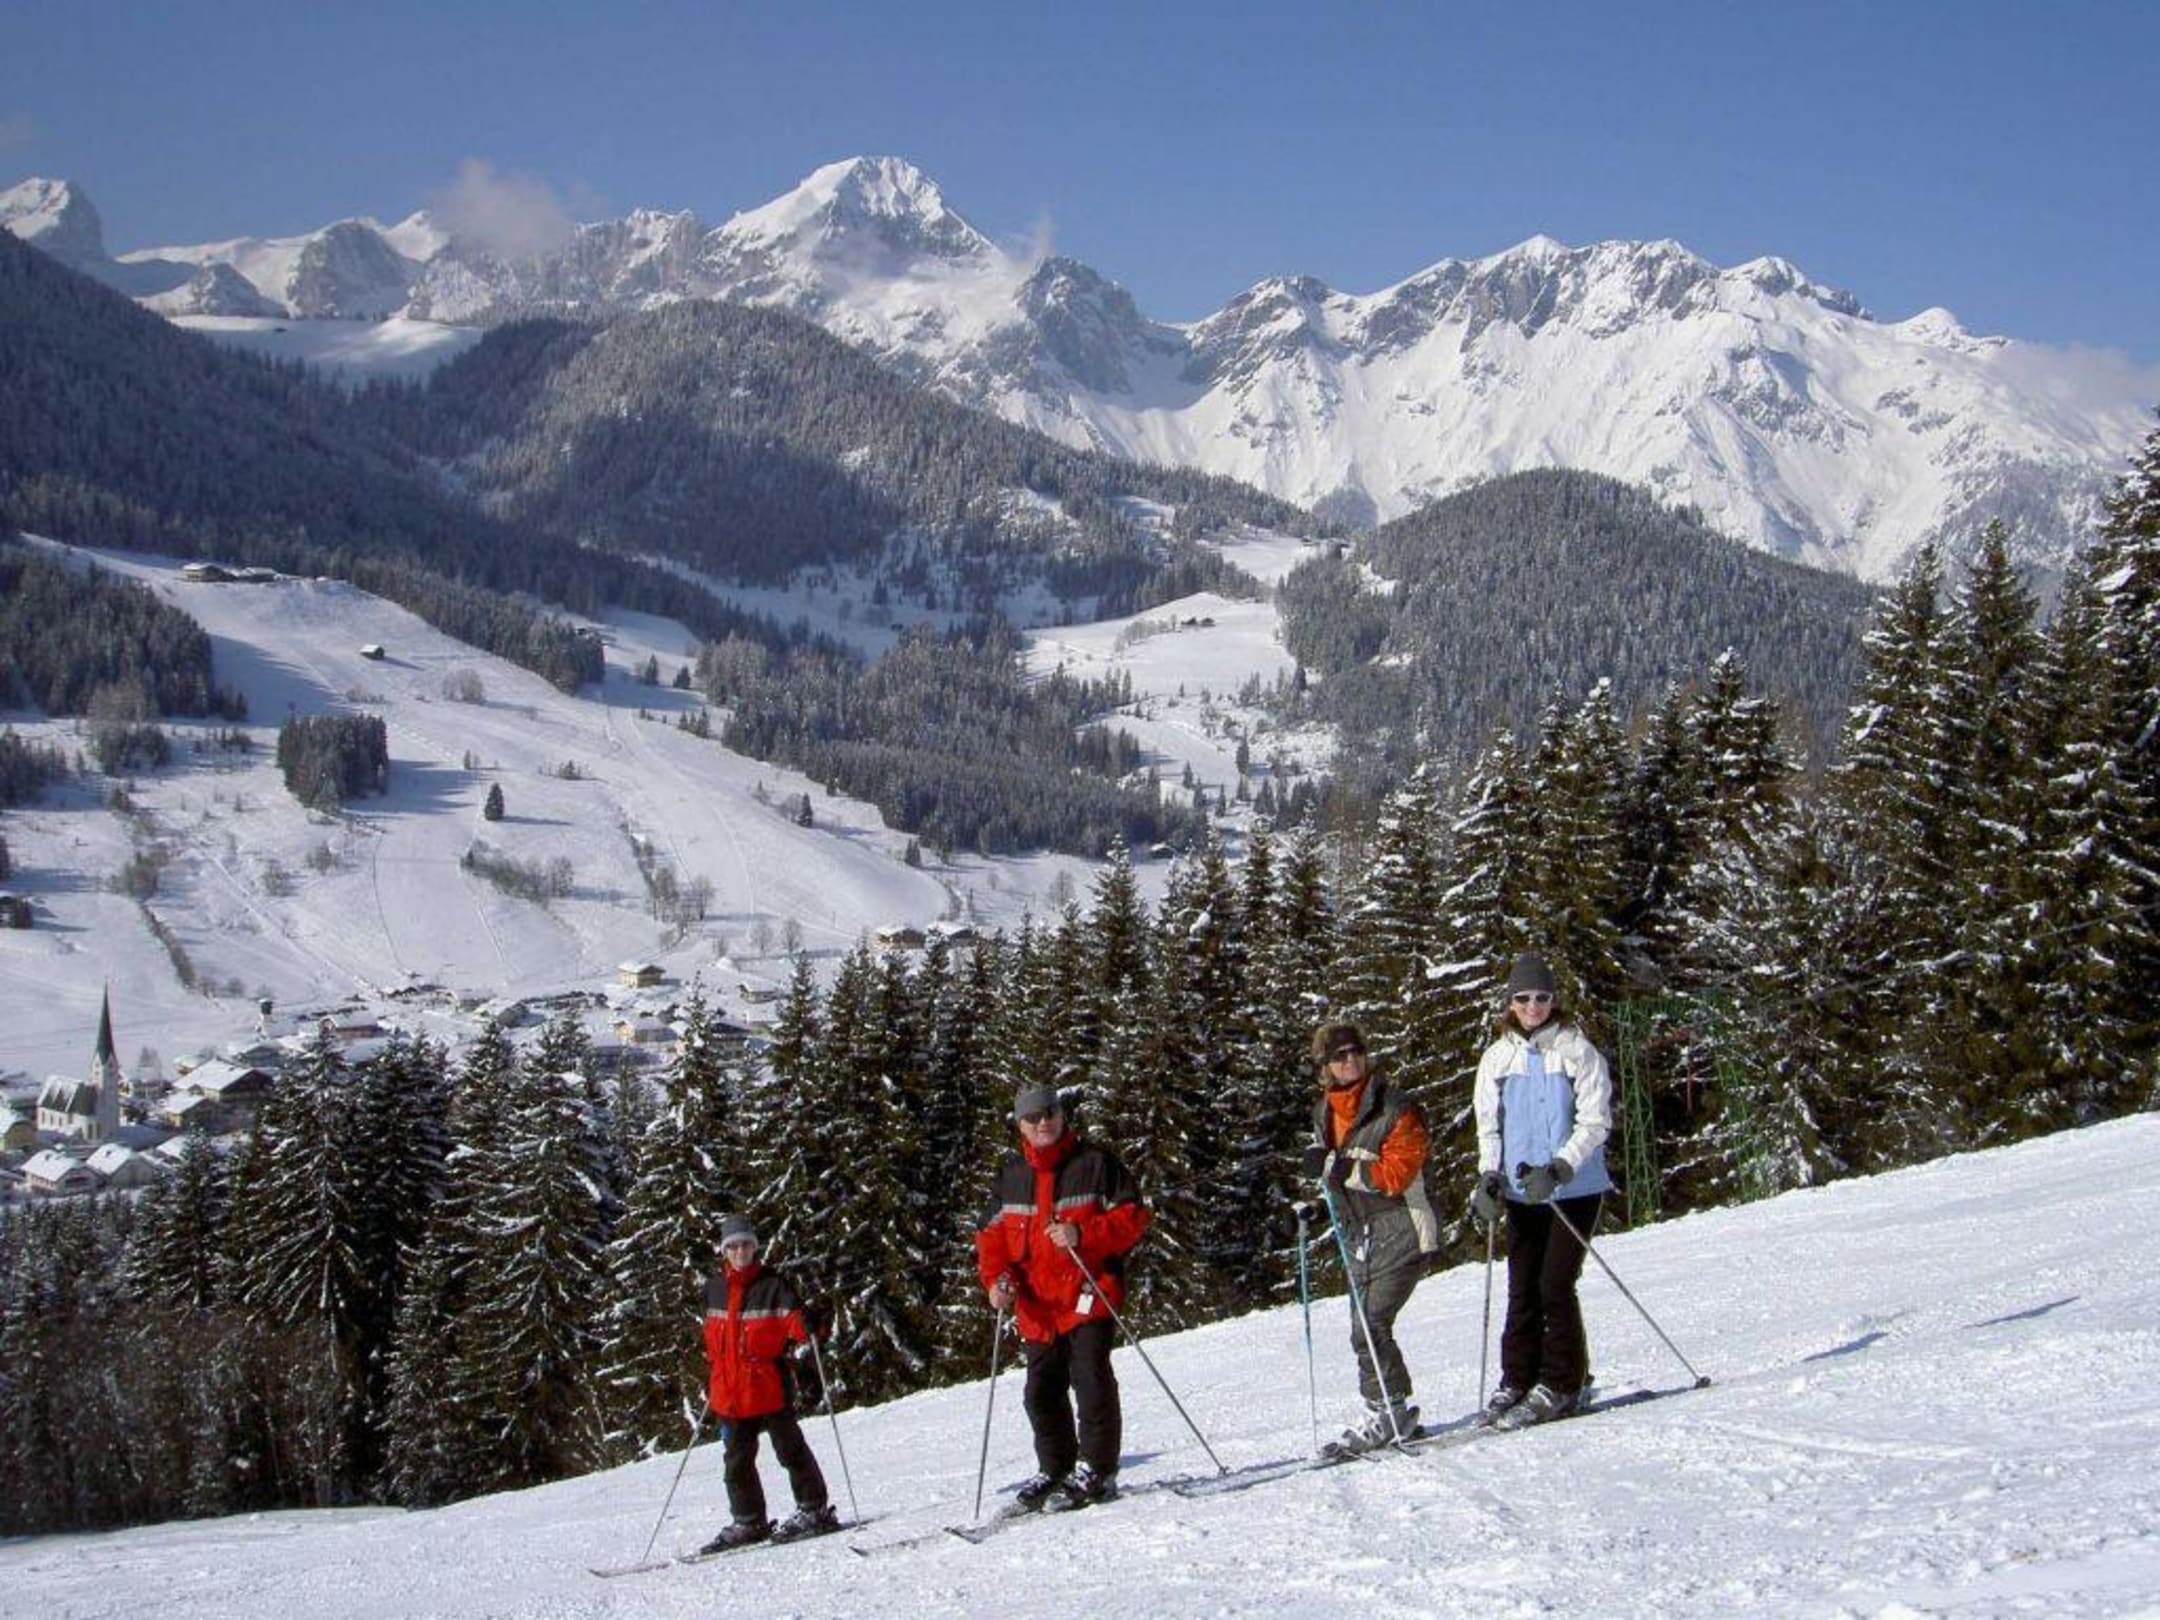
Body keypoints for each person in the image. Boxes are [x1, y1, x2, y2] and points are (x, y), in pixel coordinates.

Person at [974, 1082, 1151, 1512]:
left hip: (1089, 1290)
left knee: (1090, 1377)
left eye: (1050, 1113)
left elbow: (1134, 1216)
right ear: (1020, 1125)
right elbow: (991, 1239)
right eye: (1033, 1117)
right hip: (1038, 1307)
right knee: (1040, 1392)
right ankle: (1055, 1468)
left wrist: (1083, 1234)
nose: (1043, 1122)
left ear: (1062, 1114)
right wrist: (998, 1281)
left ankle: (1098, 1470)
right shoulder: (1011, 1176)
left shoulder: (1096, 1162)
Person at [1469, 951, 1615, 1429]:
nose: (1533, 1007)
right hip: (1522, 1191)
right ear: (1510, 1003)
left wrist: (1561, 1166)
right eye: (1524, 998)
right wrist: (1490, 1175)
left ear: (1554, 1000)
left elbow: (1596, 1121)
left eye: (1542, 997)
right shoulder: (1497, 1058)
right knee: (1522, 1287)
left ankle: (1563, 1381)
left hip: (1574, 1189)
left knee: (1555, 1284)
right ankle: (1518, 1377)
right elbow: (1489, 1126)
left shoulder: (1576, 1050)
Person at [1304, 1020, 1439, 1453]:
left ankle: (1387, 1411)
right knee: (1363, 1326)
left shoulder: (1396, 1108)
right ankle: (1388, 1409)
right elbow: (1335, 1179)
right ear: (1324, 1066)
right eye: (1339, 1056)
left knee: (1370, 1323)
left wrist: (1339, 1168)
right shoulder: (1325, 1113)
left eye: (1356, 1051)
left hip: (1404, 1225)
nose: (1351, 1061)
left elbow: (1397, 1176)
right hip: (1360, 1234)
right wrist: (1317, 1206)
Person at [697, 1213, 840, 1551]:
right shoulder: (714, 1289)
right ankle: (748, 1521)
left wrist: (812, 1323)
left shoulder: (774, 1286)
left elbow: (797, 1326)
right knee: (736, 1462)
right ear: (724, 1251)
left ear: (755, 1248)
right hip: (730, 1391)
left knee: (790, 1450)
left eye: (746, 1245)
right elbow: (710, 1337)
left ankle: (813, 1509)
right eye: (733, 1246)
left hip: (768, 1386)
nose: (740, 1252)